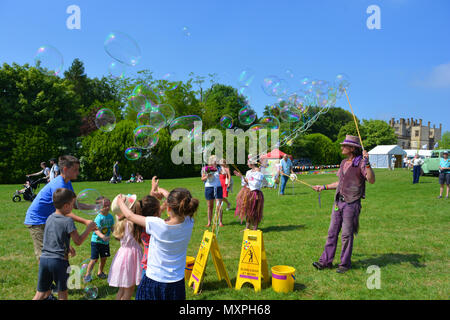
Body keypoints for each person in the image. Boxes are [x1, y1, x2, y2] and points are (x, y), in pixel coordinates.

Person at [117, 185, 199, 300]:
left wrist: (120, 202)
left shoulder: (157, 224)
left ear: (168, 208)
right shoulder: (189, 222)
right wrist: (163, 192)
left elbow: (130, 216)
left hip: (154, 281)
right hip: (177, 283)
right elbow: (179, 201)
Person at [311, 135, 375, 274]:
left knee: (346, 235)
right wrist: (323, 186)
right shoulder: (343, 162)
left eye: (344, 146)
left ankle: (344, 264)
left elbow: (371, 180)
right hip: (338, 202)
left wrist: (368, 163)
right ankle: (325, 262)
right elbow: (340, 183)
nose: (342, 147)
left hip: (351, 203)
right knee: (331, 233)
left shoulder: (361, 163)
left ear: (352, 148)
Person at [24, 155, 94, 262]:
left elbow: (74, 204)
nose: (78, 173)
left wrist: (95, 206)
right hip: (37, 220)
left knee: (60, 252)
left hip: (50, 219)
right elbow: (65, 211)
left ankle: (59, 277)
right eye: (75, 170)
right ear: (65, 169)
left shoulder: (67, 182)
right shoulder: (60, 185)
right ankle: (46, 277)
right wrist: (85, 221)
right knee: (46, 255)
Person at [32, 188, 97, 300]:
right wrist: (88, 228)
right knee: (63, 294)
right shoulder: (68, 221)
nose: (73, 207)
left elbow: (51, 238)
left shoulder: (49, 218)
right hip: (59, 262)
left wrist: (68, 246)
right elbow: (78, 241)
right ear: (66, 206)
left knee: (40, 294)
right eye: (72, 204)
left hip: (44, 260)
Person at [107, 194, 143, 300]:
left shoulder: (121, 223)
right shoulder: (132, 223)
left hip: (122, 255)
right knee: (129, 289)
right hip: (131, 257)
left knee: (122, 288)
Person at [84, 197, 114, 283]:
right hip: (96, 241)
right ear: (99, 208)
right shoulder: (99, 218)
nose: (107, 207)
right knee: (94, 259)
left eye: (109, 205)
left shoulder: (110, 217)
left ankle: (100, 272)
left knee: (104, 258)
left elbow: (112, 227)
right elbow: (95, 229)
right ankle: (87, 275)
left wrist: (116, 234)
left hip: (105, 242)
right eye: (105, 206)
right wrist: (102, 236)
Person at [234, 159, 265, 230]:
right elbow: (245, 183)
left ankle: (255, 227)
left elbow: (256, 184)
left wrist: (248, 180)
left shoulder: (259, 173)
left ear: (252, 163)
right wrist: (241, 177)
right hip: (247, 193)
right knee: (247, 210)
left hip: (255, 193)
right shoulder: (248, 172)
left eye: (248, 162)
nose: (247, 164)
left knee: (255, 211)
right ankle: (247, 227)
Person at [201, 155, 223, 227]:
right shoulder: (205, 168)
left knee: (219, 205)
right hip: (209, 188)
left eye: (217, 160)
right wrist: (207, 176)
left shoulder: (219, 168)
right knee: (210, 206)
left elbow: (224, 173)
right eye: (215, 160)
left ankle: (220, 222)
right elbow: (202, 179)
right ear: (211, 161)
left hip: (218, 187)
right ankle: (209, 222)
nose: (216, 162)